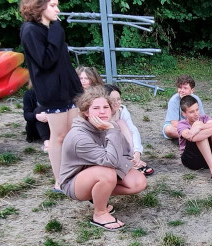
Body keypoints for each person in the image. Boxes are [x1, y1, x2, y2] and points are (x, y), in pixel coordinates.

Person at [18, 0, 83, 193]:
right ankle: (60, 180)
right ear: (39, 5)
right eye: (53, 5)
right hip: (52, 91)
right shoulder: (30, 30)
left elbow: (62, 62)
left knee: (73, 133)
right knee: (59, 136)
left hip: (70, 88)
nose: (58, 10)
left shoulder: (51, 28)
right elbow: (45, 61)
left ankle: (75, 172)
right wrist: (56, 32)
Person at [58, 86, 147, 231]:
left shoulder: (109, 125)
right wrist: (112, 131)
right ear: (86, 112)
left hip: (98, 170)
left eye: (106, 107)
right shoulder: (79, 137)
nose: (102, 111)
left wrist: (126, 162)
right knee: (107, 173)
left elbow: (126, 153)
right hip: (74, 183)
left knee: (138, 182)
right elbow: (110, 161)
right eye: (96, 108)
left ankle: (98, 194)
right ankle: (100, 214)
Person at [177, 95, 212, 185]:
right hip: (191, 160)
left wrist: (201, 127)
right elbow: (192, 137)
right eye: (191, 112)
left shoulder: (204, 118)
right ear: (184, 114)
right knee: (200, 131)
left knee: (211, 130)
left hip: (210, 157)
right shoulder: (182, 124)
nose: (196, 114)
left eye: (197, 109)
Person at [105, 83, 152, 176]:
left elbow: (133, 130)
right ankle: (125, 163)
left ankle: (132, 159)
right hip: (106, 146)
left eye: (118, 99)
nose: (116, 102)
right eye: (112, 100)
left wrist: (137, 152)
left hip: (121, 144)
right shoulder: (101, 112)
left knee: (121, 123)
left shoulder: (121, 110)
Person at [163, 75, 205, 140]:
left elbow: (202, 118)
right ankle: (192, 137)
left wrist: (197, 126)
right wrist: (189, 130)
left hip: (192, 124)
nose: (182, 91)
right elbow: (174, 124)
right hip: (177, 126)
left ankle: (190, 137)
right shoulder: (174, 101)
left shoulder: (196, 99)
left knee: (208, 125)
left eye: (185, 88)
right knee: (169, 130)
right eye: (180, 88)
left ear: (192, 90)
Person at [22, 85, 50, 151]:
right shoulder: (29, 94)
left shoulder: (55, 93)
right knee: (39, 110)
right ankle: (47, 142)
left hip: (53, 124)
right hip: (36, 128)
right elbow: (26, 115)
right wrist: (37, 116)